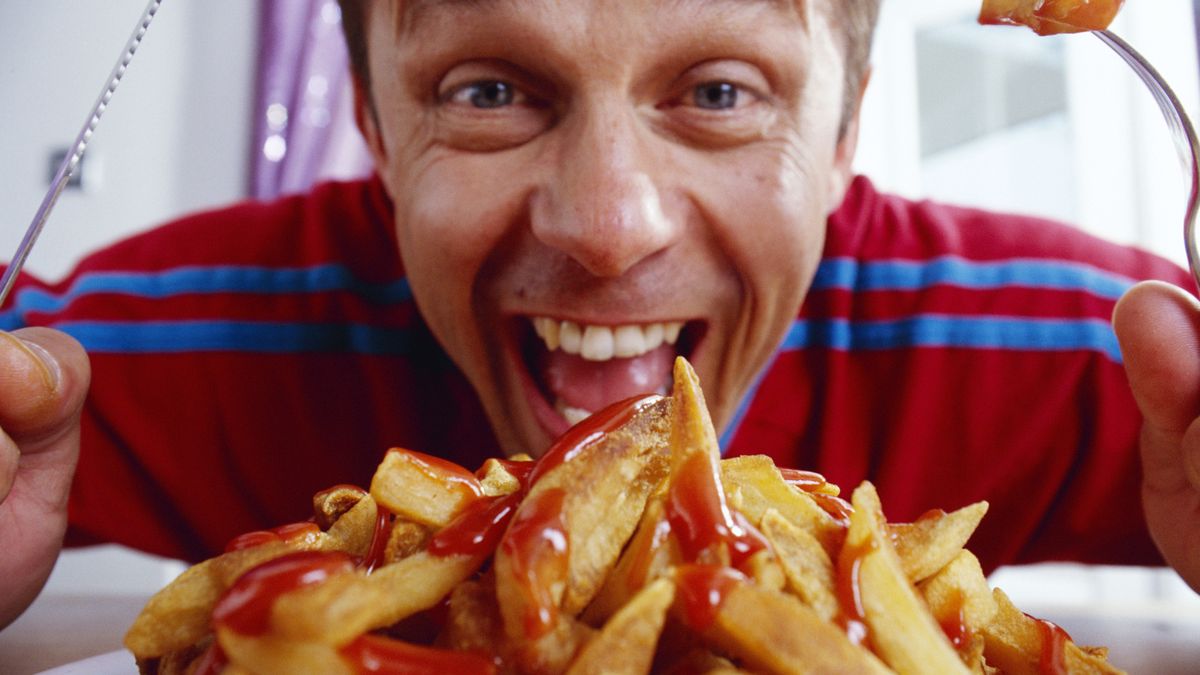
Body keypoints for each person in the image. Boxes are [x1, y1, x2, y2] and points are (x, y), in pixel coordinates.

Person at [1, 0, 1198, 630]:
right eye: (488, 90)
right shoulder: (187, 339)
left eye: (720, 92)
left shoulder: (1089, 345)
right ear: (373, 129)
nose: (610, 225)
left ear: (843, 139)